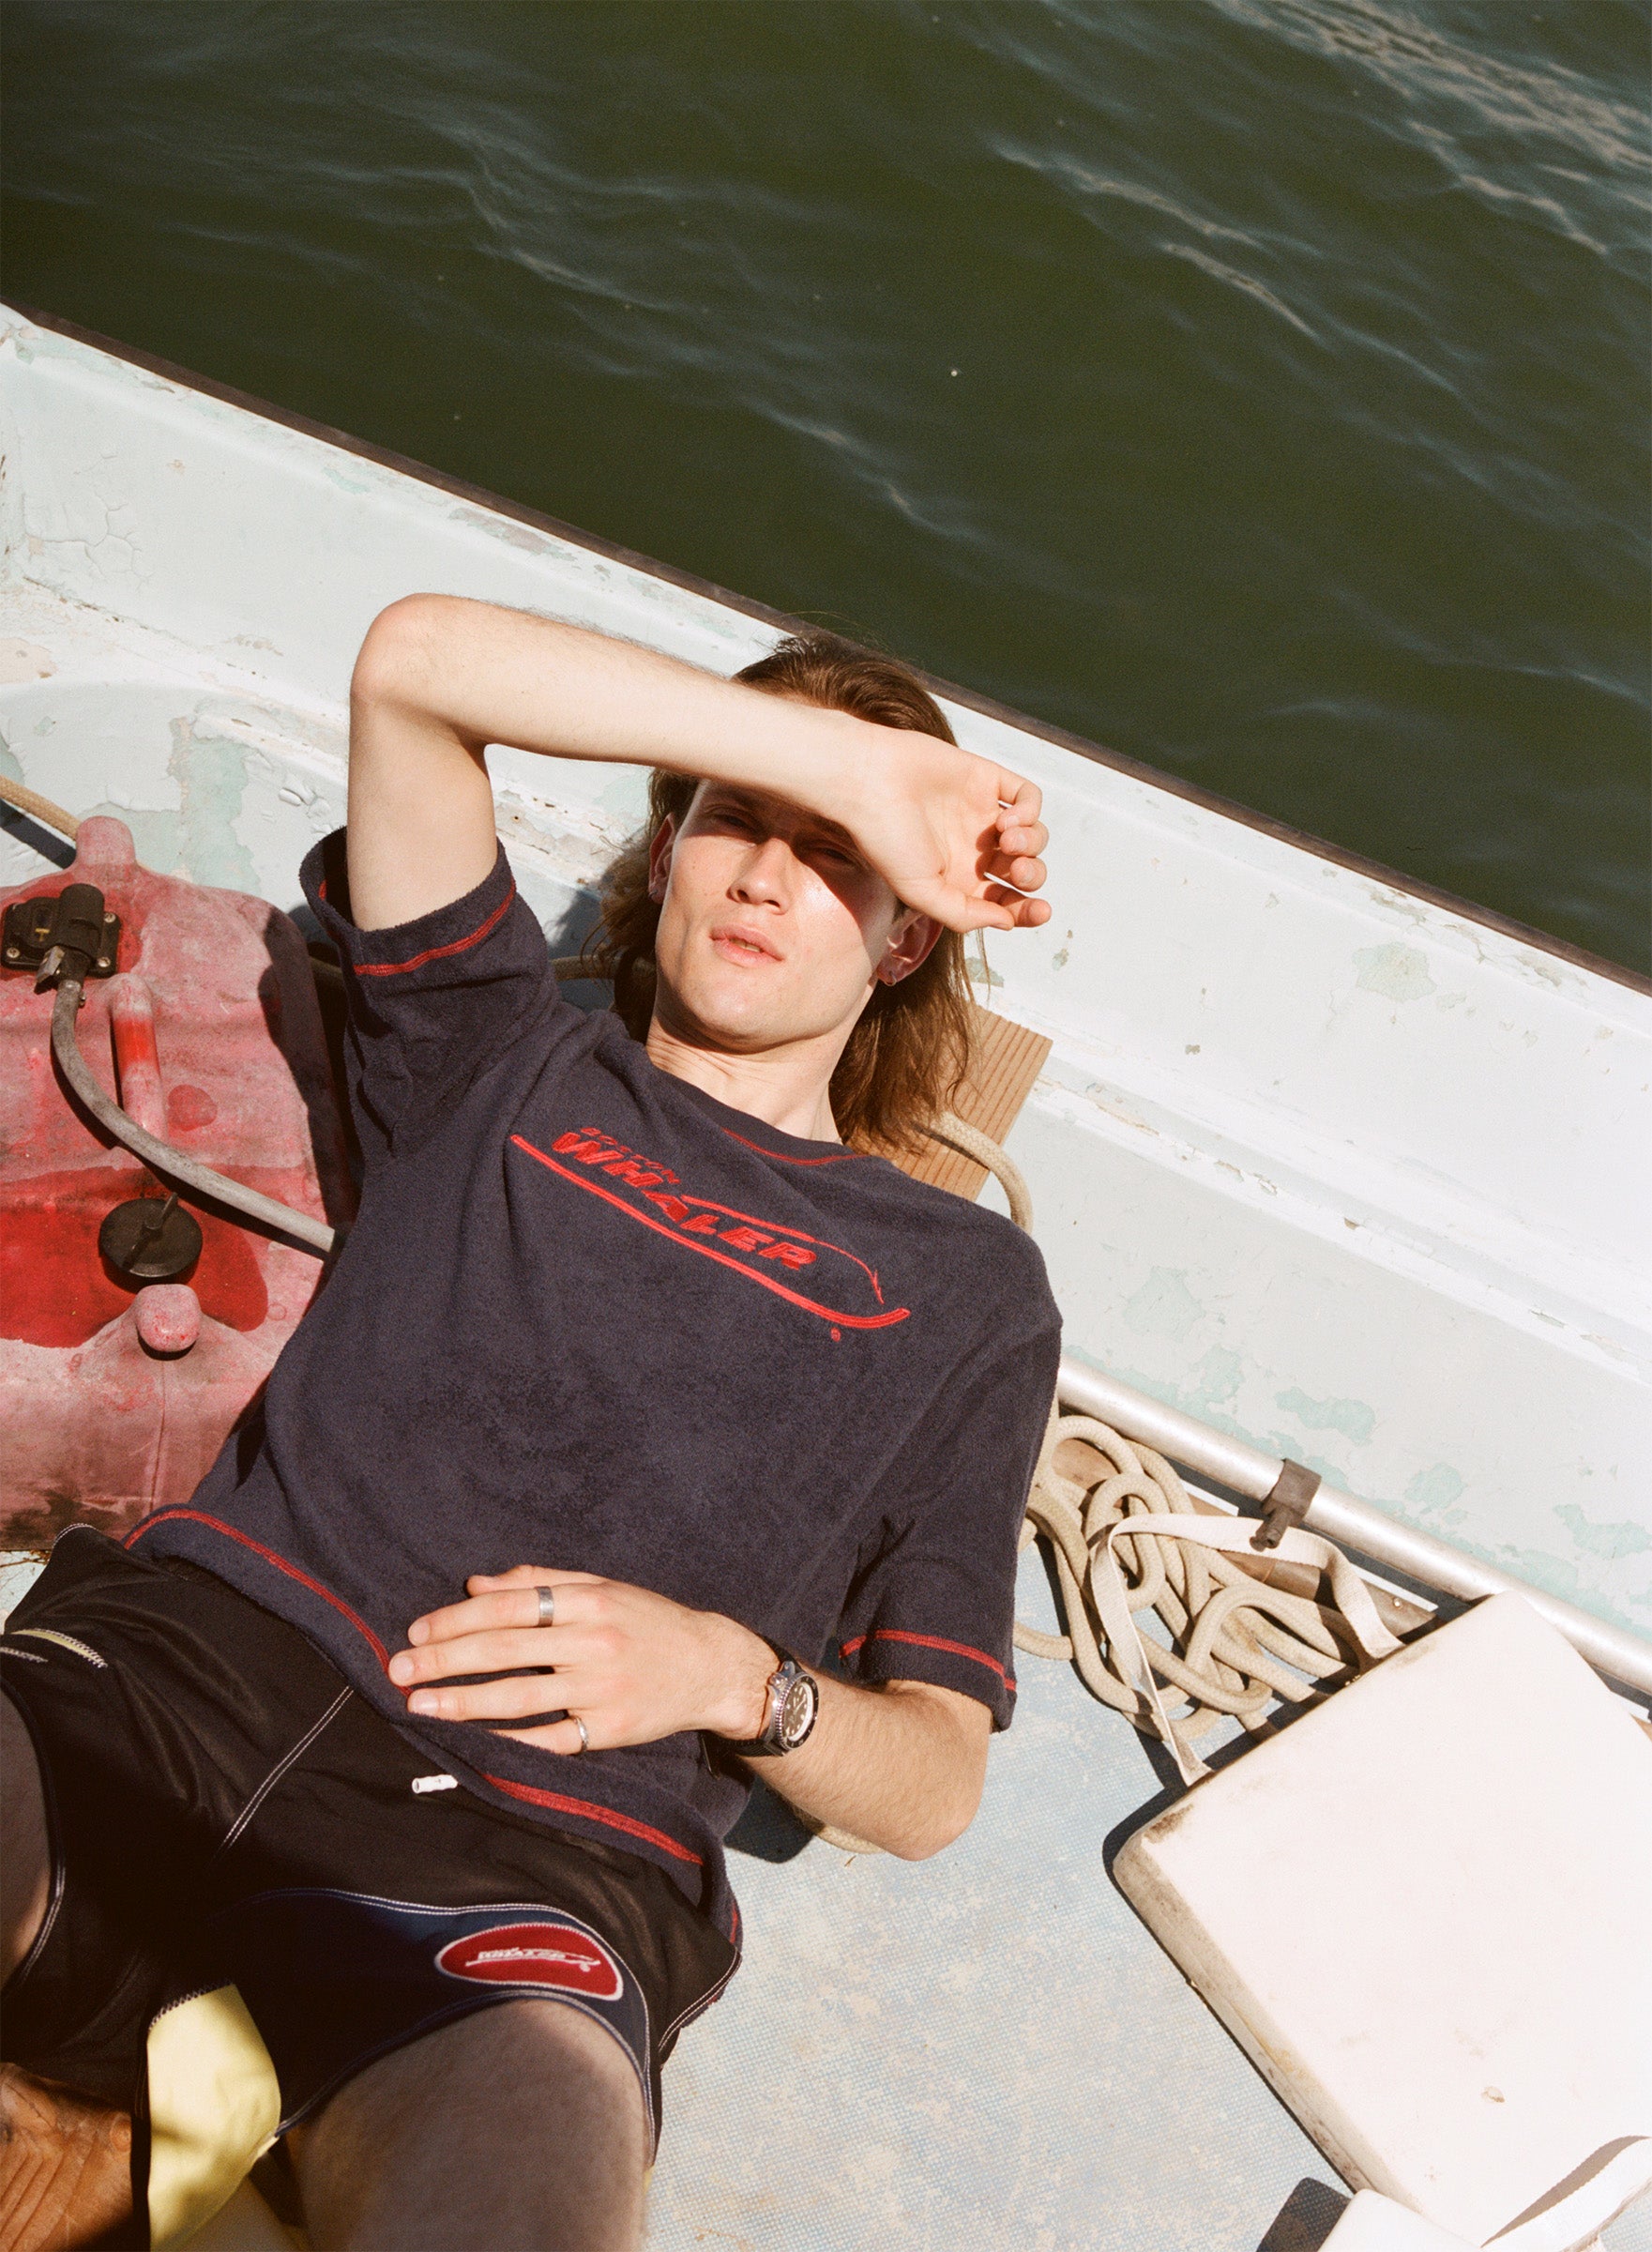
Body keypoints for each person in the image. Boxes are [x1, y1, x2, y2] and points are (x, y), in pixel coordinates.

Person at [0, 603, 1061, 2251]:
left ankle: (125, 2144)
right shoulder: (496, 1046)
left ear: (907, 936)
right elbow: (411, 670)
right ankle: (135, 2143)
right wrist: (842, 764)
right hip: (183, 1677)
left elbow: (930, 1783)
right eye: (733, 822)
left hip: (531, 1860)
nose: (768, 876)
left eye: (835, 856)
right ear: (670, 849)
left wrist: (733, 1680)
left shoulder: (965, 1288)